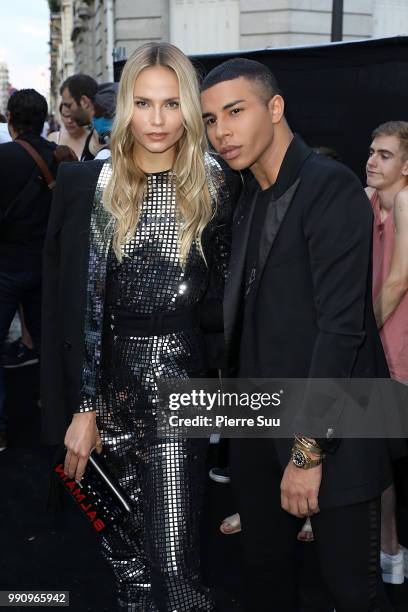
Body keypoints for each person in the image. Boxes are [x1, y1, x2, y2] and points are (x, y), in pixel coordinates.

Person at [41, 42, 236, 611]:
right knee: (125, 561)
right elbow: (66, 310)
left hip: (181, 391)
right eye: (144, 103)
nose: (157, 120)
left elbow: (229, 300)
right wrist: (79, 408)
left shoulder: (217, 185)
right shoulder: (85, 186)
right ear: (125, 106)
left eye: (172, 104)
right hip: (102, 396)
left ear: (190, 109)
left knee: (175, 567)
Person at [201, 58, 394, 611]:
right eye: (212, 119)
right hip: (257, 425)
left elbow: (341, 331)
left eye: (235, 112)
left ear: (276, 107)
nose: (222, 132)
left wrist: (309, 452)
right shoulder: (246, 195)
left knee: (349, 588)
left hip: (333, 430)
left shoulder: (328, 187)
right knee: (264, 577)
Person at [0, 89, 74, 453]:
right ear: (45, 120)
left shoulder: (3, 157)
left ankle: (1, 430)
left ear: (10, 120)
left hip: (5, 269)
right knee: (50, 345)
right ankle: (55, 417)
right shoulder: (60, 158)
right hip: (47, 268)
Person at [366, 120, 408, 585]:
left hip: (394, 350)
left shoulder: (407, 202)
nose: (373, 161)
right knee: (376, 456)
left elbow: (398, 281)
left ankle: (391, 550)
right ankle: (390, 550)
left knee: (382, 458)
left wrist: (355, 334)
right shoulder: (368, 201)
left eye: (385, 154)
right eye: (372, 152)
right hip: (378, 350)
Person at [60, 73, 101, 160]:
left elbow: (112, 169)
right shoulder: (96, 130)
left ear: (84, 102)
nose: (68, 113)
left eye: (69, 105)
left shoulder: (104, 131)